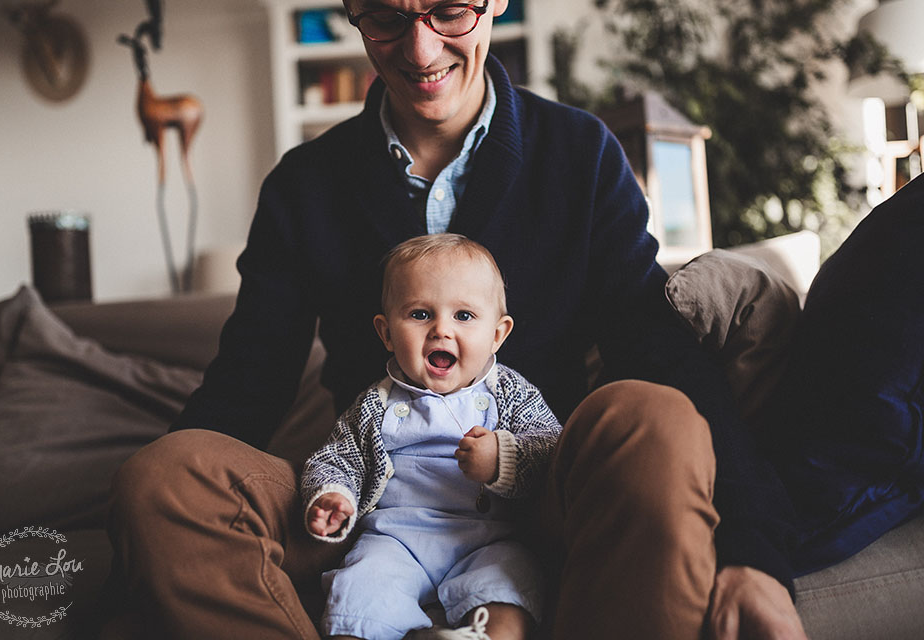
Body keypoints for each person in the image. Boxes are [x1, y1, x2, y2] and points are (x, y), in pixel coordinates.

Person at [104, 0, 808, 638]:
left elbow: (659, 351)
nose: (417, 50)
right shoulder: (304, 187)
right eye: (384, 16)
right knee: (162, 478)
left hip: (539, 489)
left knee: (659, 416)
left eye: (448, 11)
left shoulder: (580, 154)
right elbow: (244, 387)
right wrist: (141, 556)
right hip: (372, 503)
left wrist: (755, 553)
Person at [302, 234, 560, 639]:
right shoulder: (376, 403)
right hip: (395, 540)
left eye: (464, 316)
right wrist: (334, 494)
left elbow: (552, 448)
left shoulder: (510, 393)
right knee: (358, 592)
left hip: (488, 541)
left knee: (510, 587)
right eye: (421, 314)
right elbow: (336, 457)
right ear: (387, 333)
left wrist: (503, 458)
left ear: (497, 334)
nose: (441, 330)